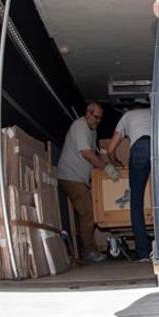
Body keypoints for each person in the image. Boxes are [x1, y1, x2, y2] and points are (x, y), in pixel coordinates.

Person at [58, 102, 117, 263]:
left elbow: (95, 153)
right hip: (71, 176)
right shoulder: (81, 126)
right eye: (96, 117)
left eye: (100, 119)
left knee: (86, 212)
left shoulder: (92, 131)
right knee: (88, 212)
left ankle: (86, 248)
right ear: (88, 113)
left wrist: (109, 161)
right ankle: (89, 251)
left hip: (79, 178)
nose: (97, 121)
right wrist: (106, 168)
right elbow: (86, 154)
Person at [107, 102, 152, 261]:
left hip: (140, 148)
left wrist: (116, 162)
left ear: (131, 108)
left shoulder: (127, 116)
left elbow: (110, 149)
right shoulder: (154, 111)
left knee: (136, 203)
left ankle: (143, 253)